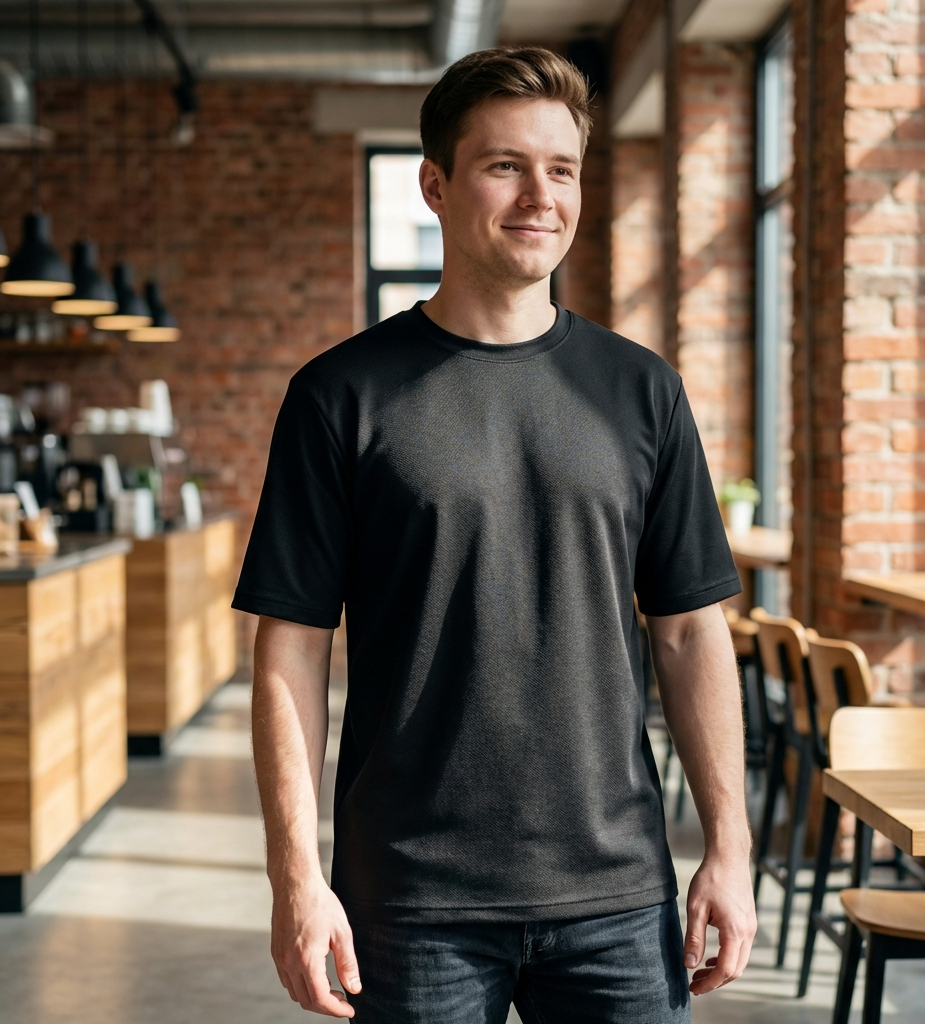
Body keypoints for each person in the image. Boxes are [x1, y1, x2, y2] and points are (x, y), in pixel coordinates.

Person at [233, 45, 757, 1024]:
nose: (538, 196)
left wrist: (729, 844)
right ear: (434, 183)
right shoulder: (340, 397)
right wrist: (296, 879)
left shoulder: (641, 392)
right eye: (503, 165)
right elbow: (290, 650)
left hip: (614, 889)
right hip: (411, 898)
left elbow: (690, 630)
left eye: (561, 169)